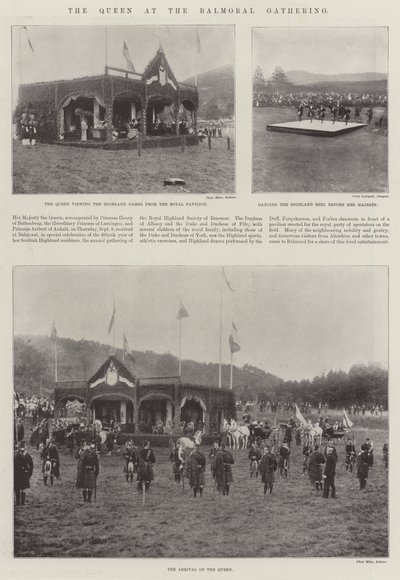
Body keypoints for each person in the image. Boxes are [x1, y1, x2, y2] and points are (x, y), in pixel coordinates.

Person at [14, 441, 33, 506]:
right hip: (19, 474)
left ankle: (21, 502)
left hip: (23, 473)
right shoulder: (18, 455)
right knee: (18, 488)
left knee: (22, 488)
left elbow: (31, 465)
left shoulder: (25, 455)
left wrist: (29, 474)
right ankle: (19, 502)